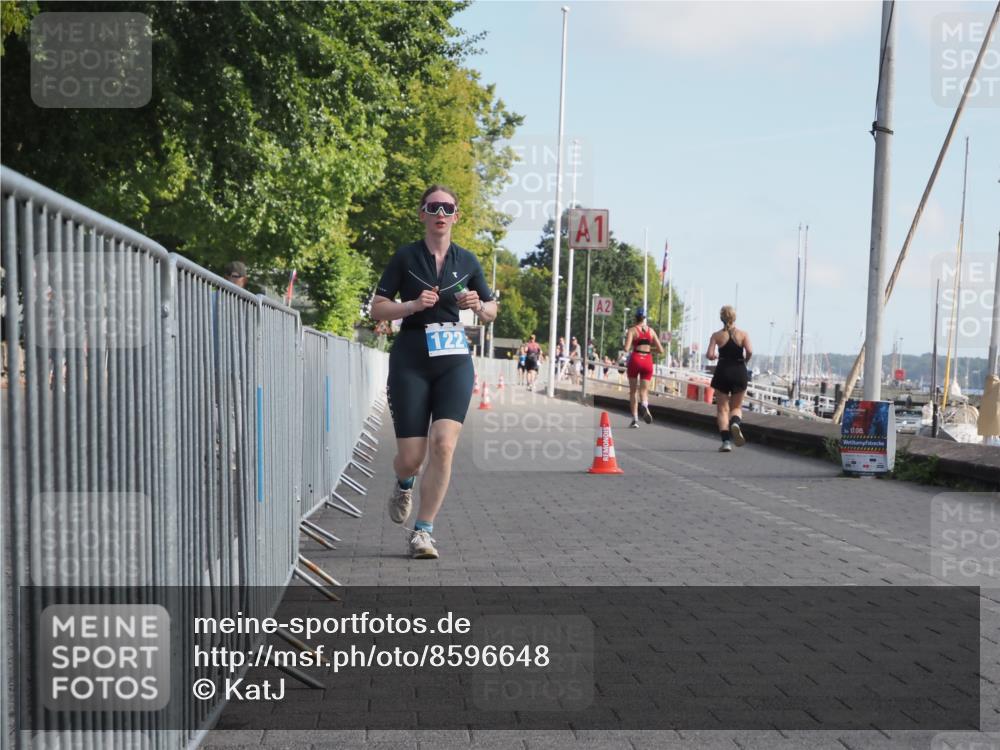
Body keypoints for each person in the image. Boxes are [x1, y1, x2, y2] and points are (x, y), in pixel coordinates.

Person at [370, 185, 498, 559]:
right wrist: (409, 305)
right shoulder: (405, 257)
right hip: (411, 357)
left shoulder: (468, 261)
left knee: (444, 444)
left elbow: (490, 312)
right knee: (412, 456)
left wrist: (479, 306)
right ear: (422, 214)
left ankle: (423, 532)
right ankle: (404, 481)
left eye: (448, 208)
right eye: (433, 207)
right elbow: (377, 308)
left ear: (456, 216)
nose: (440, 213)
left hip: (453, 358)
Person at [706, 305, 753, 452]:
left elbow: (709, 354)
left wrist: (713, 356)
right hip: (739, 371)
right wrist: (745, 360)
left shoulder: (716, 335)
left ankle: (726, 442)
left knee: (722, 410)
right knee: (737, 407)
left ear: (721, 318)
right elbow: (750, 351)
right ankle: (735, 423)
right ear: (734, 318)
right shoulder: (743, 334)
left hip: (722, 372)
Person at [624, 308, 665, 427]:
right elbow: (661, 350)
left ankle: (635, 419)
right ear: (645, 318)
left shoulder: (632, 330)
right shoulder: (651, 331)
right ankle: (645, 405)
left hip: (636, 359)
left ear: (635, 317)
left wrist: (631, 345)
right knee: (644, 391)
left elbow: (626, 349)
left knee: (633, 391)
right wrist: (648, 348)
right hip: (647, 360)